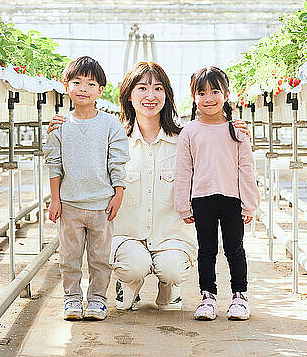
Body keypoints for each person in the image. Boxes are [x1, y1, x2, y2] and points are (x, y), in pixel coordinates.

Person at [47, 61, 251, 311]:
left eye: (158, 89)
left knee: (172, 269)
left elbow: (220, 159)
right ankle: (129, 283)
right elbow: (78, 157)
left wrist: (234, 130)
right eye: (142, 88)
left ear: (167, 95)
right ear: (129, 96)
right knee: (134, 266)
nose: (150, 96)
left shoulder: (185, 139)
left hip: (170, 238)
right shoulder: (112, 137)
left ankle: (170, 288)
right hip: (127, 236)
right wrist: (64, 127)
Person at [43, 56, 130, 321]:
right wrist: (55, 200)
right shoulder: (60, 126)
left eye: (91, 84)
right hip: (70, 205)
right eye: (77, 82)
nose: (83, 88)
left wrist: (118, 193)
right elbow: (54, 164)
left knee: (100, 258)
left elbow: (117, 162)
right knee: (69, 257)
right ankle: (71, 299)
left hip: (101, 205)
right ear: (65, 85)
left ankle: (97, 300)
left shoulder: (110, 125)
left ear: (100, 90)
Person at [174, 66, 260, 321]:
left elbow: (246, 167)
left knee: (235, 248)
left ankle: (239, 296)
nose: (208, 98)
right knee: (206, 250)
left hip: (232, 198)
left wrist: (250, 203)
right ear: (194, 97)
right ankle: (208, 297)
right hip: (202, 199)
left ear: (226, 94)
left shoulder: (237, 130)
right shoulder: (190, 131)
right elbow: (183, 170)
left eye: (215, 91)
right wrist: (183, 205)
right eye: (201, 92)